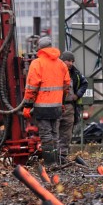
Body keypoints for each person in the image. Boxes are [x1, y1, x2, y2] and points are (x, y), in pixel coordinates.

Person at [22, 35, 70, 165]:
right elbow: (66, 85)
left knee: (46, 135)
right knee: (55, 134)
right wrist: (62, 101)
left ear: (40, 49)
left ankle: (50, 163)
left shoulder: (37, 63)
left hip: (42, 107)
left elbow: (31, 87)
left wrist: (27, 106)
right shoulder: (61, 64)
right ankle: (56, 161)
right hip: (57, 107)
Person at [58, 51, 88, 162]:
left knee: (66, 133)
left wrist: (77, 95)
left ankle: (62, 155)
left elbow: (85, 83)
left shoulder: (75, 73)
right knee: (54, 131)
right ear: (62, 60)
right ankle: (53, 155)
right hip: (56, 105)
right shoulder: (56, 70)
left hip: (69, 106)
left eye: (71, 61)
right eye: (68, 60)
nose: (70, 63)